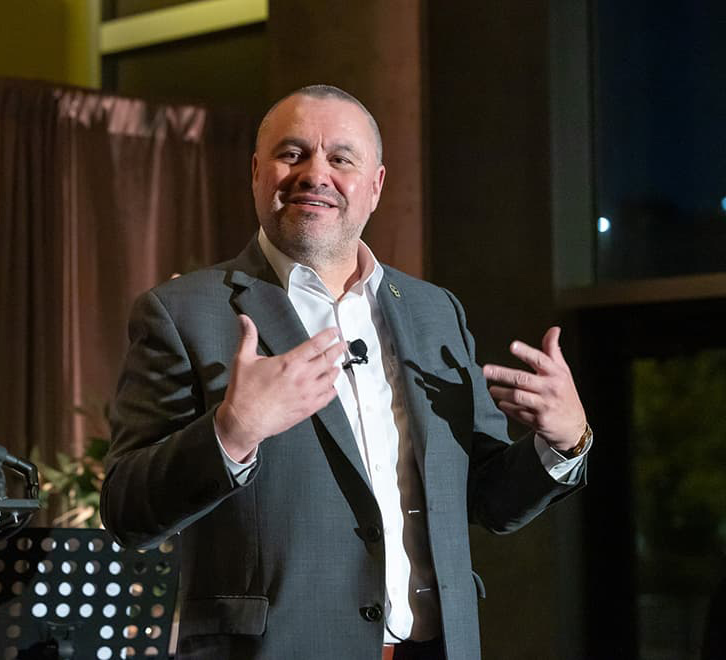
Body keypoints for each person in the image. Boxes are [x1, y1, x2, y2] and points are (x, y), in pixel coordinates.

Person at [101, 84, 591, 660]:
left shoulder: (436, 313)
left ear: (375, 186)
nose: (315, 174)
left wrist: (564, 442)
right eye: (292, 153)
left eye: (341, 158)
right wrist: (231, 434)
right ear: (257, 172)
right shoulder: (185, 313)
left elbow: (486, 499)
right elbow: (126, 511)